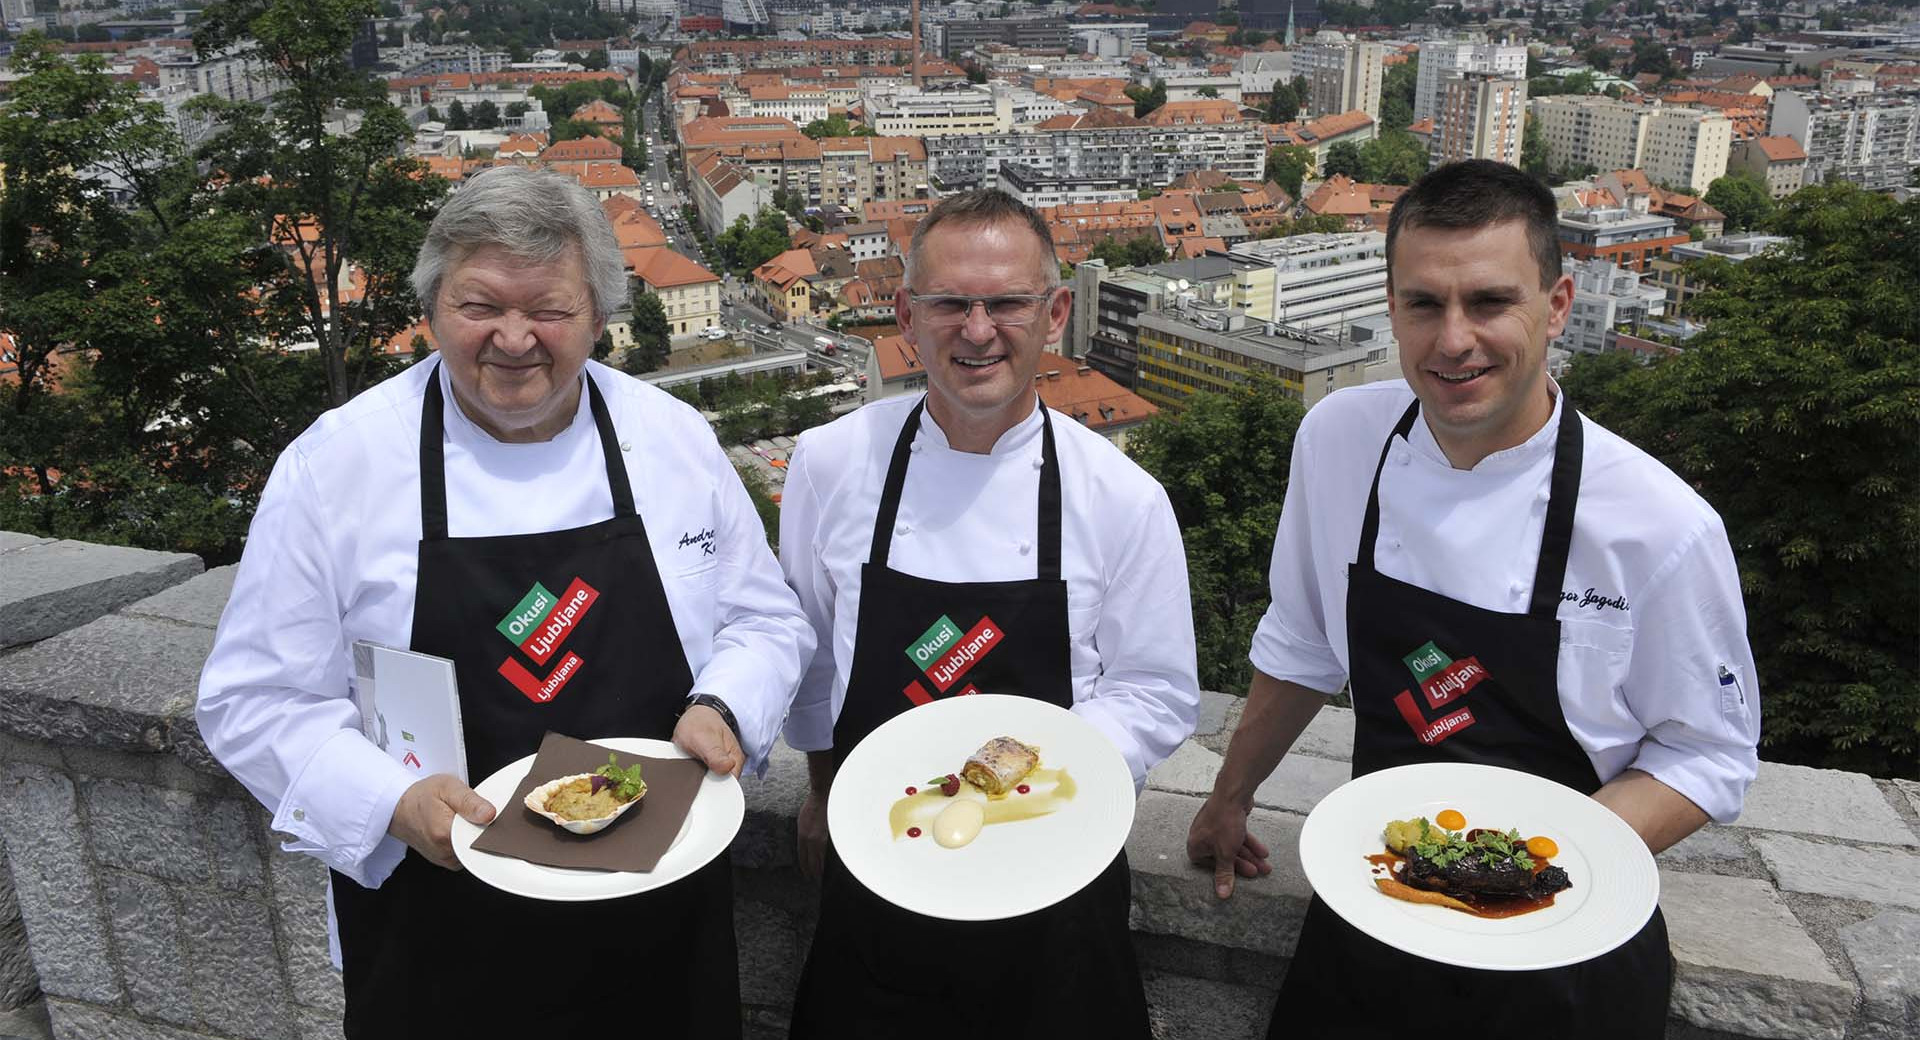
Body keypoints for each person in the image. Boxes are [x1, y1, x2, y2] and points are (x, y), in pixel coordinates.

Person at [196, 166, 814, 1038]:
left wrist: (726, 706)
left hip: (659, 911)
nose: (514, 340)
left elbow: (765, 618)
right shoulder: (338, 466)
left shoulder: (670, 439)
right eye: (480, 305)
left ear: (598, 317)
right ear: (431, 309)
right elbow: (252, 699)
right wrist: (390, 804)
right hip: (439, 928)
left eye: (550, 311)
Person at [1186, 160, 1762, 1039]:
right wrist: (1230, 796)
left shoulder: (1658, 526)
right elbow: (1303, 642)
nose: (1453, 340)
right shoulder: (1340, 440)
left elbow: (1708, 755)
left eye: (1489, 302)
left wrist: (1520, 872)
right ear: (1391, 306)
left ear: (1558, 304)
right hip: (1375, 919)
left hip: (1565, 944)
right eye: (1423, 303)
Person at [778, 190, 1200, 1039]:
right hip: (881, 863)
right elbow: (815, 660)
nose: (978, 330)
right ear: (904, 314)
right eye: (949, 304)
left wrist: (1044, 785)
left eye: (1007, 302)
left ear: (1056, 311)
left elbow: (1156, 691)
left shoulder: (1121, 496)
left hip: (1057, 879)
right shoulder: (830, 464)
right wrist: (825, 797)